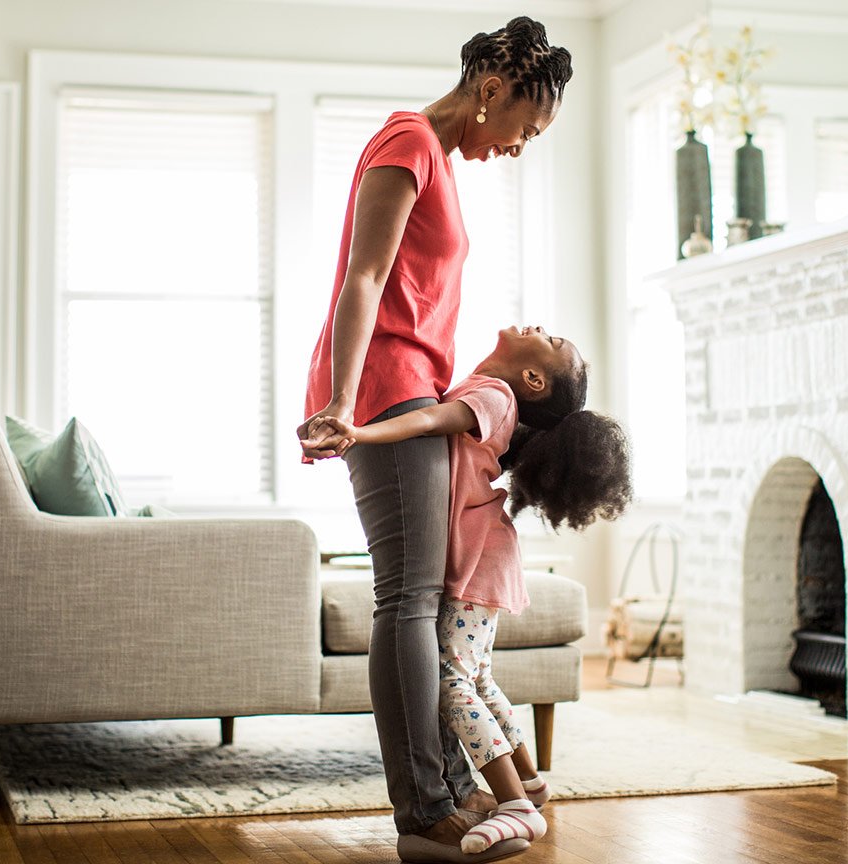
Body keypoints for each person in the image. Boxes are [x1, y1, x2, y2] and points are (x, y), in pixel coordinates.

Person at [296, 18, 573, 861]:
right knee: (409, 602)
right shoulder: (409, 139)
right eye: (525, 127)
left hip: (406, 389)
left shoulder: (439, 161)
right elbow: (365, 277)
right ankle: (423, 805)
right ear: (492, 90)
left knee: (415, 600)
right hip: (384, 392)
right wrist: (346, 403)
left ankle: (445, 789)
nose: (519, 146)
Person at [303, 325, 633, 855]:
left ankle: (515, 806)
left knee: (452, 681)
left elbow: (431, 420)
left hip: (479, 559)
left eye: (551, 342)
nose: (539, 330)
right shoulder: (493, 392)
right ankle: (528, 780)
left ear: (532, 378)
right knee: (475, 676)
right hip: (486, 556)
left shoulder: (494, 395)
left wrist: (360, 432)